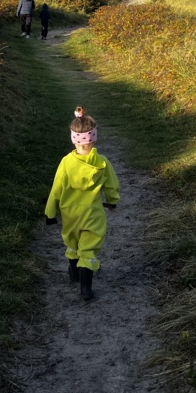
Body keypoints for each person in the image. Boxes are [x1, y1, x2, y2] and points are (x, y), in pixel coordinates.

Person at [44, 106, 120, 301]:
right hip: (92, 214)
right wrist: (112, 202)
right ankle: (86, 288)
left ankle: (73, 272)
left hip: (69, 213)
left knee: (71, 242)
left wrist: (50, 213)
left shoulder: (66, 163)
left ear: (73, 138)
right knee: (88, 248)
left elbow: (56, 189)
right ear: (94, 138)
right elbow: (111, 187)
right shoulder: (102, 163)